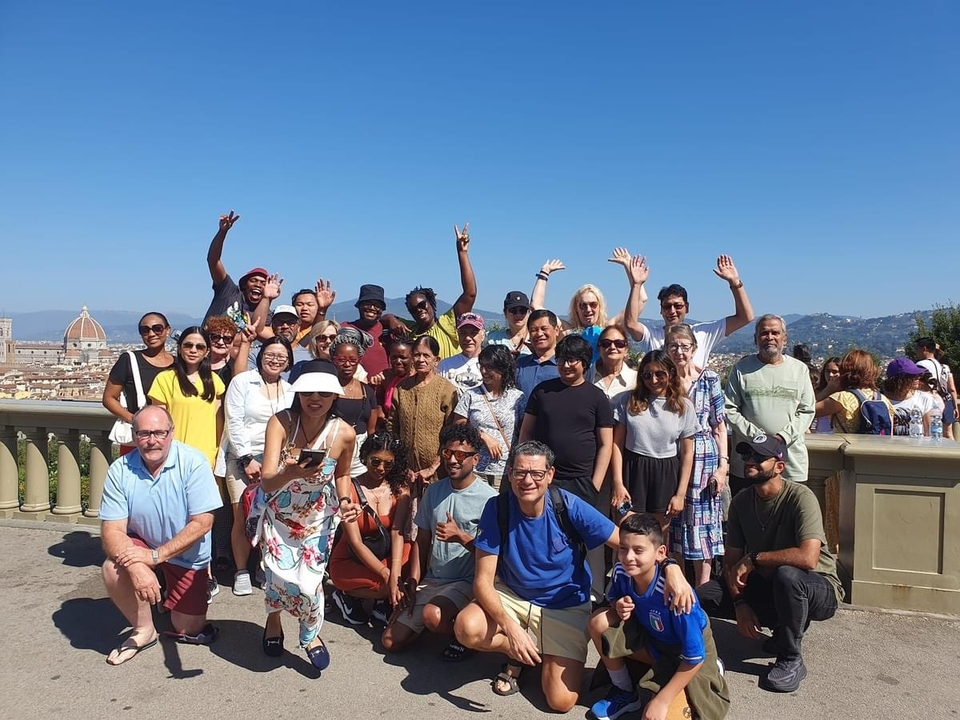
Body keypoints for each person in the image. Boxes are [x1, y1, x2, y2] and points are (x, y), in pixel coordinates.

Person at [453, 441, 694, 712]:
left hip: (564, 605)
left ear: (550, 475)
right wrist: (512, 630)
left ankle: (532, 653)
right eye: (520, 472)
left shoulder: (566, 506)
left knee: (561, 702)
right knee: (466, 627)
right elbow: (483, 582)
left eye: (537, 474)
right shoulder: (497, 508)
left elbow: (627, 542)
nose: (527, 481)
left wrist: (671, 565)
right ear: (509, 474)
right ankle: (520, 650)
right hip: (513, 596)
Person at [696, 434, 842, 693]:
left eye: (759, 457)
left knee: (788, 576)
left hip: (818, 587)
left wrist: (754, 559)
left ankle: (790, 657)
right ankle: (780, 628)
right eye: (746, 455)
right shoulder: (742, 501)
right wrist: (740, 604)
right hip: (770, 582)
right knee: (704, 595)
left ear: (779, 466)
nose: (750, 461)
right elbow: (731, 563)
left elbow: (808, 558)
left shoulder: (800, 497)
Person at [255, 361, 359, 670]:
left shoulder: (345, 434)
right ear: (298, 394)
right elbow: (267, 480)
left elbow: (342, 475)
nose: (316, 399)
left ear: (334, 397)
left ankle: (310, 633)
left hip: (316, 518)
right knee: (276, 576)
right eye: (308, 392)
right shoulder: (281, 423)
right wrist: (292, 471)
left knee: (311, 582)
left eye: (324, 394)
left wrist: (344, 500)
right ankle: (274, 620)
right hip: (278, 514)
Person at [99, 406, 223, 665]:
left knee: (188, 628)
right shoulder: (120, 469)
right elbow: (111, 531)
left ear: (171, 433)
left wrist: (156, 557)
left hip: (186, 554)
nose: (151, 440)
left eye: (158, 432)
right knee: (113, 567)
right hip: (142, 541)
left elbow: (203, 523)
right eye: (144, 434)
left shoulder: (193, 462)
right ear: (134, 436)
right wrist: (137, 566)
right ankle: (144, 629)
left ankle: (165, 588)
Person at [588, 513, 730, 720]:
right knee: (598, 621)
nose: (628, 557)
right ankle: (625, 691)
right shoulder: (621, 570)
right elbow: (615, 597)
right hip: (654, 644)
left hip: (687, 656)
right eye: (623, 548)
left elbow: (694, 656)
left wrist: (662, 701)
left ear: (660, 552)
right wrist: (617, 605)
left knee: (661, 715)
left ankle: (710, 670)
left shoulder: (677, 594)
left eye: (639, 550)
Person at [382, 424, 498, 656]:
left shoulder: (490, 500)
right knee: (389, 642)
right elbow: (421, 541)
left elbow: (495, 558)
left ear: (475, 460)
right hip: (434, 580)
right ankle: (437, 621)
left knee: (432, 615)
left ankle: (465, 635)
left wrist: (461, 537)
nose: (452, 460)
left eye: (461, 455)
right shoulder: (434, 491)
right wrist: (414, 581)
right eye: (447, 453)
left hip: (466, 582)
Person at [519, 334, 614, 599]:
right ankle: (547, 588)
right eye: (561, 359)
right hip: (544, 479)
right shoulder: (543, 391)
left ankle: (589, 593)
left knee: (583, 540)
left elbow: (606, 444)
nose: (566, 365)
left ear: (584, 363)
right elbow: (526, 432)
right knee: (544, 535)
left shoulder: (597, 397)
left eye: (572, 359)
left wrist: (595, 483)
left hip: (582, 480)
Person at [223, 337, 294, 596]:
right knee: (242, 515)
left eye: (282, 356)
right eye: (271, 354)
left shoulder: (290, 389)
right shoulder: (242, 382)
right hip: (243, 457)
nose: (275, 359)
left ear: (288, 361)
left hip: (276, 460)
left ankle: (265, 565)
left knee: (272, 517)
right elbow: (234, 419)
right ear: (261, 355)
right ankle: (241, 569)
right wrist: (245, 458)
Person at [665, 325, 728, 586]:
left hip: (704, 458)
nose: (679, 351)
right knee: (675, 521)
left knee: (703, 523)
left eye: (684, 346)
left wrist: (722, 467)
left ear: (694, 349)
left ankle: (702, 592)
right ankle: (679, 584)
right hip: (673, 453)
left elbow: (719, 425)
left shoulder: (710, 378)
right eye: (674, 346)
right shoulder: (663, 379)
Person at [611, 350, 698, 538]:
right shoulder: (627, 401)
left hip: (666, 472)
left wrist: (680, 494)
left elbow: (687, 453)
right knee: (627, 533)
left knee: (657, 537)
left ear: (671, 374)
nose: (654, 380)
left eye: (660, 374)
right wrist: (618, 482)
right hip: (633, 470)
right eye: (647, 375)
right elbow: (616, 444)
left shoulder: (684, 406)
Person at [329, 432, 413, 626]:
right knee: (386, 584)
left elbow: (397, 532)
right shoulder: (349, 489)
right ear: (365, 457)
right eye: (375, 461)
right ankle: (346, 595)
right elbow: (355, 542)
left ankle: (381, 602)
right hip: (350, 558)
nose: (381, 468)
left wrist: (396, 574)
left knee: (410, 560)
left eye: (388, 463)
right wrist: (387, 574)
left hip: (384, 551)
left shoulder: (400, 489)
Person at [724, 315, 815, 494]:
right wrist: (758, 438)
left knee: (789, 519)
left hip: (791, 463)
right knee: (748, 517)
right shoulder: (741, 369)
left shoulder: (799, 370)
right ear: (755, 338)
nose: (770, 337)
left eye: (775, 333)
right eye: (764, 333)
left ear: (784, 338)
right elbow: (729, 409)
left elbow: (807, 410)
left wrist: (782, 437)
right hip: (748, 462)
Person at [620, 251, 755, 368]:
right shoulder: (652, 336)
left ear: (687, 308)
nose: (672, 311)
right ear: (661, 310)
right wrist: (636, 285)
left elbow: (746, 317)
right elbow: (631, 324)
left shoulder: (704, 332)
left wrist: (735, 283)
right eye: (667, 306)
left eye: (678, 306)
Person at [147, 326, 226, 469]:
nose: (193, 350)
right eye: (188, 345)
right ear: (179, 348)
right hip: (173, 456)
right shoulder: (164, 379)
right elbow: (157, 423)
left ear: (207, 351)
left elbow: (218, 423)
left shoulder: (215, 382)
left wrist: (217, 453)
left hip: (206, 457)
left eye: (200, 347)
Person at [388, 336, 459, 486]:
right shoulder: (402, 388)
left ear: (436, 360)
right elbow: (393, 428)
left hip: (438, 474)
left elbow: (452, 434)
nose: (421, 359)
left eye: (426, 355)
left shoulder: (446, 390)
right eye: (417, 354)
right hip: (406, 473)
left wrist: (433, 467)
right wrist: (402, 465)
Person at [453, 345, 525, 488]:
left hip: (506, 471)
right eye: (482, 366)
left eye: (489, 367)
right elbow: (457, 427)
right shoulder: (470, 395)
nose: (484, 371)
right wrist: (482, 435)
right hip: (476, 469)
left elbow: (524, 431)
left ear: (503, 368)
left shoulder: (517, 397)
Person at [102, 312, 174, 455]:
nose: (151, 333)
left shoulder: (179, 364)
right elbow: (108, 398)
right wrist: (135, 420)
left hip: (172, 439)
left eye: (157, 328)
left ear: (167, 330)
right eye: (145, 330)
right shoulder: (128, 360)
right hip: (138, 441)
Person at [404, 223, 478, 359]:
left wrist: (462, 253)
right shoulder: (410, 330)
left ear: (431, 303)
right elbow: (384, 319)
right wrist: (391, 319)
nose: (419, 310)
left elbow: (470, 293)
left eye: (422, 305)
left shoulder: (447, 323)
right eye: (413, 309)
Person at [201, 210, 271, 331]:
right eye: (254, 280)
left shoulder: (265, 312)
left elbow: (258, 333)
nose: (258, 284)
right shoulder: (229, 291)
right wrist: (222, 232)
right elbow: (213, 260)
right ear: (244, 284)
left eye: (263, 283)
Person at [530, 257, 611, 361]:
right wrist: (544, 273)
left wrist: (636, 281)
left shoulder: (609, 331)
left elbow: (633, 313)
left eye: (593, 304)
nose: (588, 309)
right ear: (576, 308)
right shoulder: (568, 331)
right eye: (583, 305)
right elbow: (535, 305)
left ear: (600, 306)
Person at [330, 328, 381, 476]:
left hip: (360, 455)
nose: (347, 364)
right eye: (341, 360)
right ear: (333, 359)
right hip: (331, 450)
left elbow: (371, 430)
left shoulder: (368, 391)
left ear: (359, 360)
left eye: (352, 360)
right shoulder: (326, 390)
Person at [814, 350, 893, 434]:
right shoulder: (884, 400)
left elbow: (807, 410)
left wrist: (828, 390)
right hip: (876, 446)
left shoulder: (842, 398)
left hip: (847, 445)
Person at [342, 284, 393, 377]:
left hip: (385, 388)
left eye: (377, 305)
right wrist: (322, 310)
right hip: (355, 388)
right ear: (359, 306)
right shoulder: (345, 328)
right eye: (368, 303)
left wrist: (392, 318)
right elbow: (319, 336)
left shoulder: (389, 329)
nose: (372, 308)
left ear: (382, 310)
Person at [916, 337, 959, 439]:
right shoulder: (944, 367)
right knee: (948, 433)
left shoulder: (920, 365)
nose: (915, 352)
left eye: (917, 349)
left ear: (924, 349)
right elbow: (952, 389)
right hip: (946, 400)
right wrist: (955, 406)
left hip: (932, 402)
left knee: (930, 433)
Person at [515, 309, 561, 400]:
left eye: (544, 329)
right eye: (533, 330)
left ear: (556, 330)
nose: (539, 334)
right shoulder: (520, 366)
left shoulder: (566, 365)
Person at [884, 357, 934, 436]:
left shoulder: (924, 399)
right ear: (900, 380)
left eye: (918, 375)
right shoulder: (880, 400)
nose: (918, 377)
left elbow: (929, 433)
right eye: (913, 375)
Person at [438, 312, 485, 391]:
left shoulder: (491, 366)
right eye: (463, 333)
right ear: (458, 336)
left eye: (473, 333)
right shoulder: (445, 365)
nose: (468, 338)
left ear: (483, 335)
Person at [591, 324, 638, 402]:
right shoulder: (586, 377)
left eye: (619, 344)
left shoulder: (636, 380)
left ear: (626, 350)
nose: (612, 347)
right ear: (599, 348)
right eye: (606, 343)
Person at [376, 337, 415, 420]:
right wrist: (379, 410)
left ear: (413, 358)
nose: (398, 361)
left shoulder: (418, 379)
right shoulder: (386, 376)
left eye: (403, 357)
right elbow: (378, 398)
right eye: (394, 357)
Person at [484, 291, 532, 356]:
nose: (518, 315)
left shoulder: (535, 338)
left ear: (529, 313)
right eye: (513, 310)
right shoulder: (492, 338)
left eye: (522, 310)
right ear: (505, 313)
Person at [203, 314, 239, 386]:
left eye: (227, 339)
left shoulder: (235, 366)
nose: (220, 342)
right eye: (215, 337)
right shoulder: (198, 362)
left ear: (233, 341)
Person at [812, 356, 841, 433]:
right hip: (819, 435)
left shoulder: (843, 395)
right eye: (828, 371)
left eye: (835, 372)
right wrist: (827, 390)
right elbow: (808, 407)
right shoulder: (817, 391)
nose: (831, 375)